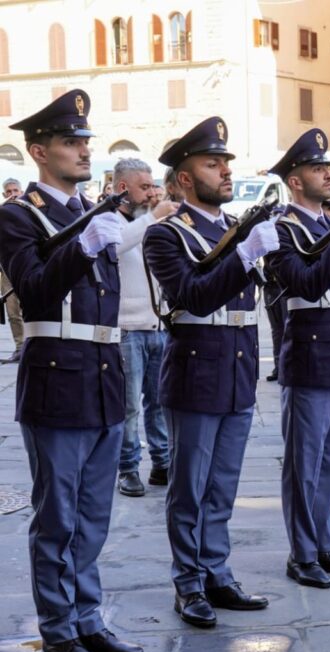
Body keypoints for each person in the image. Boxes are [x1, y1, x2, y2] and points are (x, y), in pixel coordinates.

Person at [0, 89, 144, 652]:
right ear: (38, 151)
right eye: (71, 141)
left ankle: (88, 618)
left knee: (93, 515)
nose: (84, 149)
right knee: (56, 517)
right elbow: (34, 291)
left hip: (105, 378)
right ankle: (57, 632)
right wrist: (84, 244)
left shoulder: (92, 211)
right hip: (57, 380)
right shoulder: (18, 215)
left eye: (85, 140)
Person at [144, 116, 274, 627]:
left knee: (222, 485)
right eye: (211, 163)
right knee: (190, 487)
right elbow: (192, 295)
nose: (224, 171)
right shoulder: (166, 235)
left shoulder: (232, 229)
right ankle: (188, 582)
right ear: (182, 178)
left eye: (225, 163)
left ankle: (216, 571)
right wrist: (245, 256)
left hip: (237, 369)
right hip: (196, 372)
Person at [265, 128, 330, 588]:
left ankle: (322, 543)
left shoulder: (328, 225)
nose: (328, 174)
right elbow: (306, 283)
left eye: (328, 167)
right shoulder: (282, 228)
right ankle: (301, 553)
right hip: (309, 357)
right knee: (304, 464)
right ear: (295, 180)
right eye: (317, 168)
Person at [109, 158, 178, 497]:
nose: (152, 193)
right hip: (127, 328)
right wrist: (154, 216)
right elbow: (118, 244)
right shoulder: (109, 220)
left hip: (158, 325)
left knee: (159, 401)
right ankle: (128, 468)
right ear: (123, 189)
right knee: (129, 405)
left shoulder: (150, 222)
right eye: (145, 187)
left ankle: (162, 463)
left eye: (154, 186)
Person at [1, 178, 25, 363]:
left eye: (15, 190)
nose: (13, 194)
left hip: (26, 267)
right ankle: (19, 347)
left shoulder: (30, 210)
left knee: (30, 308)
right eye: (8, 191)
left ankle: (31, 347)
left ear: (21, 191)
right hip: (7, 268)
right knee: (12, 311)